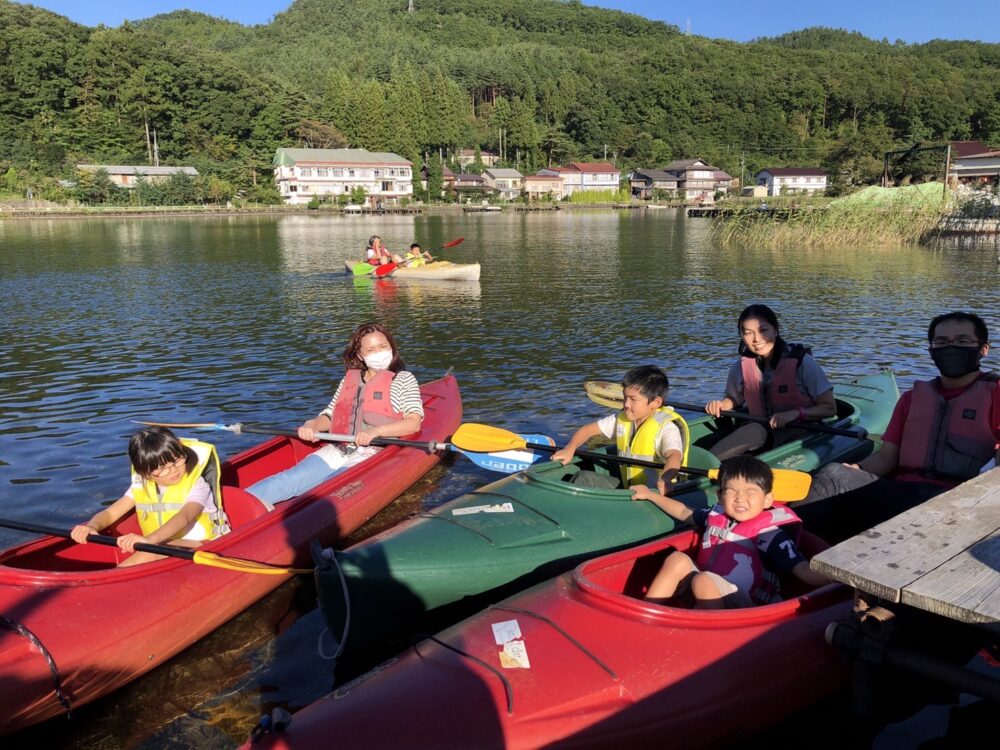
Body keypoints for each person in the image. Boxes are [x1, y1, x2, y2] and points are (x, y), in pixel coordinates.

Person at [797, 311, 999, 543]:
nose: (951, 348)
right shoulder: (912, 399)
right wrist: (855, 467)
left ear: (983, 349)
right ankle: (794, 555)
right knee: (833, 475)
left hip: (958, 502)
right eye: (942, 342)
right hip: (903, 492)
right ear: (932, 351)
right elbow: (886, 458)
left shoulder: (996, 394)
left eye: (962, 341)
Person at [246, 322, 424, 505]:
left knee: (328, 489)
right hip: (340, 447)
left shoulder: (403, 379)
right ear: (360, 356)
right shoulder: (349, 380)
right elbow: (331, 414)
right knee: (288, 479)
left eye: (383, 346)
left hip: (374, 452)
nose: (379, 353)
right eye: (371, 350)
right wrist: (313, 424)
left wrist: (375, 432)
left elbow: (413, 422)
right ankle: (229, 512)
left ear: (391, 348)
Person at [637, 455, 829, 608]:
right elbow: (682, 511)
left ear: (768, 499)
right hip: (705, 588)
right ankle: (648, 614)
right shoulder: (715, 516)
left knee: (704, 580)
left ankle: (709, 636)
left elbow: (804, 571)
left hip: (745, 607)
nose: (740, 499)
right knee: (677, 560)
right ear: (720, 496)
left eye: (750, 492)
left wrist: (842, 576)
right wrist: (651, 496)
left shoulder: (770, 535)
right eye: (732, 491)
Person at [70, 427, 230, 567]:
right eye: (162, 468)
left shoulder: (198, 485)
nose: (173, 470)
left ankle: (109, 584)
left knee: (155, 550)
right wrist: (92, 526)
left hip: (207, 545)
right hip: (161, 543)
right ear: (146, 474)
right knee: (156, 548)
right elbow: (111, 513)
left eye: (176, 461)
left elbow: (185, 517)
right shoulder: (141, 486)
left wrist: (151, 540)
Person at [705, 304, 836, 459]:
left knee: (754, 431)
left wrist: (795, 414)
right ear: (742, 335)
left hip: (801, 430)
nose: (756, 339)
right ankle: (703, 467)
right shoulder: (739, 368)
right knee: (754, 429)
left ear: (775, 329)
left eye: (763, 330)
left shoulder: (802, 363)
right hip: (761, 428)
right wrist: (721, 405)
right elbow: (734, 399)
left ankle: (704, 466)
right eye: (748, 333)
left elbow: (829, 408)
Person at [551, 365, 687, 491]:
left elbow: (674, 456)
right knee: (583, 477)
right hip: (629, 488)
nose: (626, 404)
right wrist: (570, 448)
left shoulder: (666, 427)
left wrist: (666, 478)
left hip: (654, 493)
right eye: (625, 397)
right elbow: (588, 430)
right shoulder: (623, 418)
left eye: (633, 399)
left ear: (656, 402)